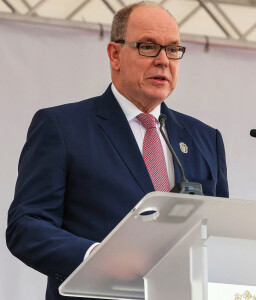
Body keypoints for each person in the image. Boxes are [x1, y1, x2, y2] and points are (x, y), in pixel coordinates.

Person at [6, 1, 229, 300]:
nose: (164, 60)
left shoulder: (205, 138)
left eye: (173, 49)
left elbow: (219, 233)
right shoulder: (61, 127)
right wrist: (97, 256)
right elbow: (27, 226)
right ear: (115, 55)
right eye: (149, 46)